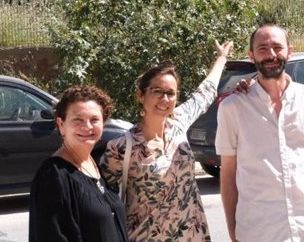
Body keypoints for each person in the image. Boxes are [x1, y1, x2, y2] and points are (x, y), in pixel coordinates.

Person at [101, 39, 233, 242]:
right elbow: (102, 201)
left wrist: (221, 58)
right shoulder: (120, 148)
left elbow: (205, 93)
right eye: (157, 91)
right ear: (140, 94)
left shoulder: (178, 123)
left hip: (193, 236)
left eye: (171, 94)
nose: (165, 99)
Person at [216, 24, 304, 242]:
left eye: (277, 47)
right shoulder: (233, 107)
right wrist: (233, 233)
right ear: (251, 55)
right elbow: (228, 174)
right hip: (257, 233)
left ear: (290, 51)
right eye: (263, 48)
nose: (271, 55)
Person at [29, 85, 127, 242]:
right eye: (78, 119)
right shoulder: (53, 175)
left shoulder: (91, 164)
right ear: (61, 124)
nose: (87, 126)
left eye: (94, 119)